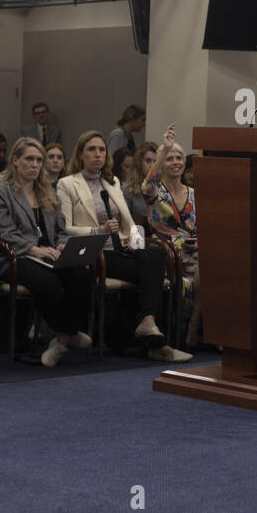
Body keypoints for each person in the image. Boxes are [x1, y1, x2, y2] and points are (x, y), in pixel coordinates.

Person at [59, 130, 189, 362]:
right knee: (151, 272)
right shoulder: (67, 183)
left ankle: (147, 324)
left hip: (119, 249)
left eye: (101, 150)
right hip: (94, 252)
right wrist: (98, 231)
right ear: (80, 155)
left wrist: (136, 245)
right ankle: (153, 343)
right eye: (91, 150)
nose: (98, 155)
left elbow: (127, 222)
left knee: (155, 256)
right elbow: (65, 227)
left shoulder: (112, 181)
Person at [0, 138, 95, 366]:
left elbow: (62, 230)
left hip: (49, 256)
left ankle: (62, 338)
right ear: (15, 160)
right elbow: (3, 233)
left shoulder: (46, 191)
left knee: (81, 275)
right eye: (29, 159)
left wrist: (63, 245)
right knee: (48, 283)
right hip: (11, 258)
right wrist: (35, 250)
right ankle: (68, 333)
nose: (35, 165)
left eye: (39, 160)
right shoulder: (0, 191)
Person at [140, 126, 201, 349]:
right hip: (168, 255)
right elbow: (147, 186)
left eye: (179, 157)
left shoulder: (195, 193)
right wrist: (164, 149)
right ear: (162, 163)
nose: (175, 162)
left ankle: (200, 328)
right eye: (170, 158)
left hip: (196, 252)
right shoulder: (156, 192)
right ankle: (191, 330)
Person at [121, 142, 155, 225]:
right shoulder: (127, 191)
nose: (152, 165)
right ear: (138, 163)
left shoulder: (163, 189)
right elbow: (125, 225)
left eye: (156, 161)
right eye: (148, 161)